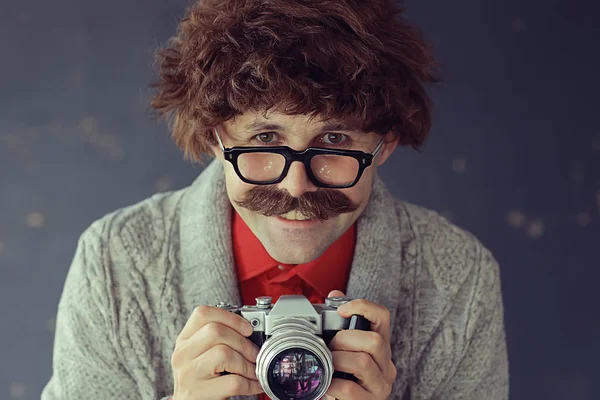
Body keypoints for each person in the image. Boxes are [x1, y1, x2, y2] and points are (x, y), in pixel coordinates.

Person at [41, 0, 509, 399]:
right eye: (265, 138)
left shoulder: (458, 277)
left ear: (382, 145)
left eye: (336, 140)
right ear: (215, 138)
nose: (296, 187)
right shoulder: (114, 261)